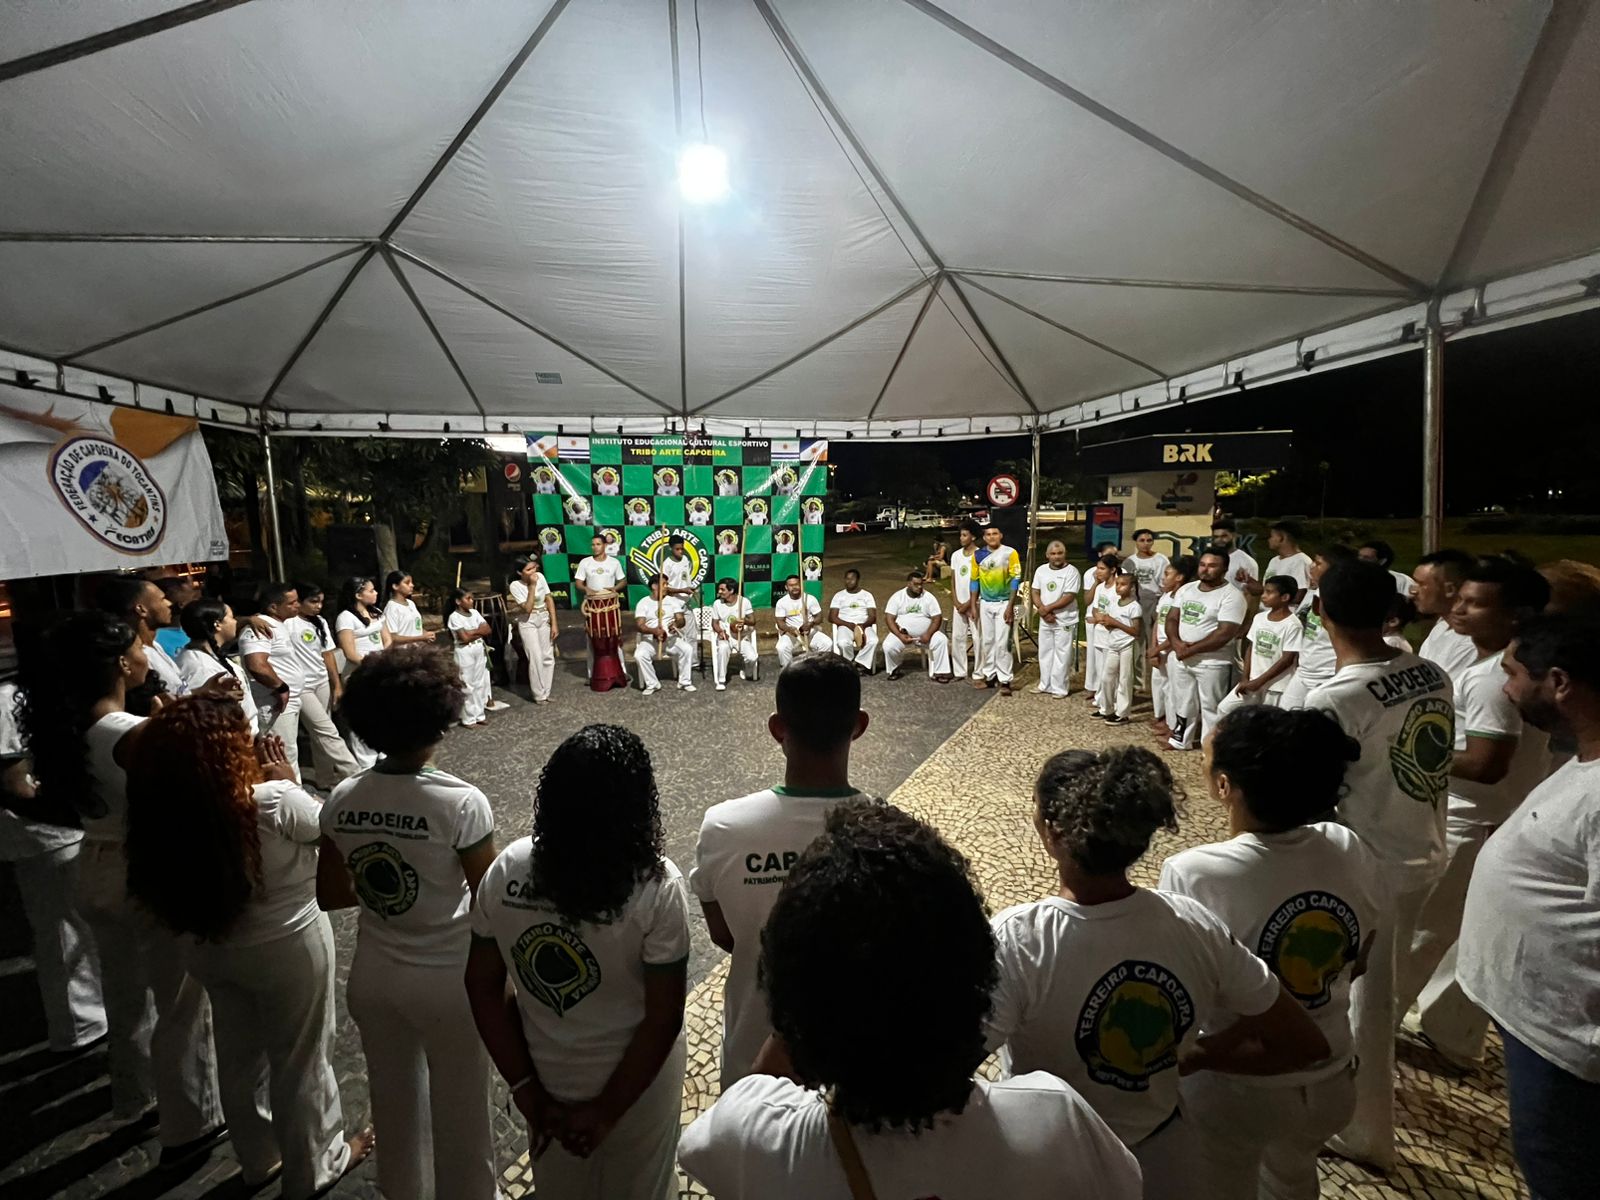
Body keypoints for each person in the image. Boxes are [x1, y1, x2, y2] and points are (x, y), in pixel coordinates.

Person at [679, 801, 1142, 1199]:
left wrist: (802, 1003)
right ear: (977, 975)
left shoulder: (754, 1139)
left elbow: (730, 1113)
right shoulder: (1054, 1120)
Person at [986, 747, 1329, 1197]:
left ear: (1050, 832)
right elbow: (1306, 1044)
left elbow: (938, 1075)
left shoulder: (1018, 940)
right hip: (1164, 1155)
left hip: (1052, 1160)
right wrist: (1201, 1056)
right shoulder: (1193, 924)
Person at [124, 701, 373, 1196]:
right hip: (286, 942)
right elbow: (332, 829)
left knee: (238, 1056)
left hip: (210, 945)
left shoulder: (164, 811)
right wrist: (286, 778)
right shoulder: (271, 800)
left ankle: (260, 1157)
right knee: (301, 1056)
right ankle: (317, 1164)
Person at [16, 612, 225, 1163]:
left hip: (95, 859)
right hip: (142, 866)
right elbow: (183, 791)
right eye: (137, 646)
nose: (144, 653)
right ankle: (193, 1116)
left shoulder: (71, 726)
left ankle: (136, 1096)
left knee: (125, 996)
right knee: (179, 998)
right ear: (118, 661)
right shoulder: (125, 732)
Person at [1160, 706, 1380, 1200]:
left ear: (1223, 787)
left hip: (1241, 1081)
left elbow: (1187, 988)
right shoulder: (1347, 843)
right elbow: (1361, 956)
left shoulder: (1195, 871)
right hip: (1333, 1077)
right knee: (1293, 1176)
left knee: (1221, 1184)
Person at [466, 725, 689, 1199]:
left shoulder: (507, 869)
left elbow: (482, 985)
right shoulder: (655, 884)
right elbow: (664, 1016)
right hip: (638, 1083)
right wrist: (607, 1112)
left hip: (549, 1076)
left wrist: (525, 1089)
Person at [320, 645, 499, 1200]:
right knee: (465, 1111)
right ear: (440, 717)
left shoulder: (342, 798)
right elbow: (490, 904)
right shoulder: (461, 802)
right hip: (448, 976)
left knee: (394, 1105)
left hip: (374, 973)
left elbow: (330, 893)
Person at [1303, 558, 1454, 1170]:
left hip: (1373, 862)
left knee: (1366, 1000)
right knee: (1378, 990)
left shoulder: (1336, 696)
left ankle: (1366, 1128)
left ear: (1322, 612)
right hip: (1422, 843)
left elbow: (1314, 793)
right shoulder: (1428, 669)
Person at [1456, 612, 1600, 1200]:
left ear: (1560, 682)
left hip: (1572, 1051)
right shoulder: (1585, 756)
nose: (1506, 688)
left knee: (1563, 1171)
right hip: (1542, 1031)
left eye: (1513, 674)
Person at [1396, 557, 1550, 1067]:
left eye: (1474, 602)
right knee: (1458, 934)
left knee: (1418, 934)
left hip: (1469, 818)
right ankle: (1452, 1034)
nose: (1459, 608)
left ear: (1515, 616)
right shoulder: (1497, 666)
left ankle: (1373, 1032)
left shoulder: (1489, 679)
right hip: (1483, 816)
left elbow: (1486, 763)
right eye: (1459, 597)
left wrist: (1407, 751)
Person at [691, 655, 872, 1088]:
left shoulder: (724, 826)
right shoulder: (886, 829)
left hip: (751, 1053)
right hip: (849, 1061)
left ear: (777, 728)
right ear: (859, 725)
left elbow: (725, 936)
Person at [0, 675, 106, 1056]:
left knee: (76, 925)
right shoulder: (6, 697)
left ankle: (90, 1016)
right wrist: (68, 813)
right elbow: (16, 784)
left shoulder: (32, 693)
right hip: (42, 834)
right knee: (60, 929)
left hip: (54, 829)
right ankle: (79, 1024)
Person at [1164, 548, 1247, 751]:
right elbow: (1172, 617)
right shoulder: (1187, 589)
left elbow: (1225, 633)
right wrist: (1176, 642)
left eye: (1212, 566)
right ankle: (1180, 739)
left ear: (1225, 569)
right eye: (1203, 565)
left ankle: (1211, 746)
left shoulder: (1232, 596)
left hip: (1213, 661)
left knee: (1211, 705)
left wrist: (1191, 649)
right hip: (1182, 656)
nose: (1205, 569)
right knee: (1183, 701)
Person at [287, 583, 361, 788]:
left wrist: (336, 684)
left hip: (321, 681)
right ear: (298, 602)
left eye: (320, 601)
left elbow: (327, 654)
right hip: (301, 686)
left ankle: (325, 778)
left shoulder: (319, 622)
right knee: (326, 730)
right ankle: (355, 773)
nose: (318, 606)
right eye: (312, 601)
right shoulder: (287, 623)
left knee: (320, 731)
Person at [239, 583, 315, 782]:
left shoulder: (280, 624)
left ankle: (295, 797)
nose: (298, 605)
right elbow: (256, 664)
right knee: (281, 755)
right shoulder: (260, 627)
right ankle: (291, 803)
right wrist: (279, 687)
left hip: (289, 699)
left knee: (289, 751)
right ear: (273, 607)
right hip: (272, 702)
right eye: (292, 603)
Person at [1278, 545, 1356, 710]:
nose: (1311, 566)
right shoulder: (1314, 592)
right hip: (1305, 671)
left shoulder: (1341, 599)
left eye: (1318, 563)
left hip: (1326, 674)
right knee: (1285, 715)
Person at [1219, 575, 1303, 718]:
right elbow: (1251, 647)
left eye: (1269, 592)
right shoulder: (1260, 618)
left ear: (1285, 597)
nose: (1263, 596)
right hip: (1252, 681)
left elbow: (1287, 659)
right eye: (1264, 591)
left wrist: (1260, 681)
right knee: (1224, 709)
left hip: (1275, 686)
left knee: (1269, 723)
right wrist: (1245, 678)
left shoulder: (1293, 625)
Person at [96, 575, 184, 708]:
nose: (169, 604)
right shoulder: (135, 658)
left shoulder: (154, 645)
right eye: (162, 599)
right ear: (141, 609)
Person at [176, 598, 259, 729]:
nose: (235, 622)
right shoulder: (199, 666)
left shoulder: (207, 656)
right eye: (231, 617)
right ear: (217, 624)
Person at [1149, 556, 1196, 739]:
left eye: (1168, 574)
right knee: (1163, 687)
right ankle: (1166, 721)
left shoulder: (1185, 597)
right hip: (1160, 648)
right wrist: (1153, 646)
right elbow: (1158, 622)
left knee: (1176, 691)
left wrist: (1160, 647)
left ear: (1180, 577)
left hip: (1171, 649)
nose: (1163, 577)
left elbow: (1177, 629)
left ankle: (1176, 726)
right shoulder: (1166, 596)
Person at [972, 524, 1022, 696]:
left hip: (1003, 603)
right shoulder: (978, 555)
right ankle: (990, 674)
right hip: (985, 603)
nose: (992, 537)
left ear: (1000, 535)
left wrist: (1010, 605)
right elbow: (974, 580)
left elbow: (1016, 578)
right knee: (988, 641)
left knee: (1003, 643)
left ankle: (1005, 679)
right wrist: (973, 604)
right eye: (988, 534)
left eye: (995, 533)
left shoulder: (1010, 553)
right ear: (984, 537)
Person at [576, 534, 630, 690]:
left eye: (598, 544)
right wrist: (586, 588)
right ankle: (591, 674)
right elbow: (578, 582)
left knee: (615, 639)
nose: (594, 547)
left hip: (610, 605)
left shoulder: (614, 562)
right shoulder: (585, 563)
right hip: (592, 607)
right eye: (592, 544)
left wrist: (615, 588)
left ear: (605, 545)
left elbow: (623, 580)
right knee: (592, 641)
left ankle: (622, 672)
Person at [1412, 549, 1478, 676]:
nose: (1413, 591)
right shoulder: (1441, 626)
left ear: (1449, 589)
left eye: (1421, 584)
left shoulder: (1468, 643)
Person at [1092, 566, 1142, 725]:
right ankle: (1105, 708)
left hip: (1127, 644)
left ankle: (1122, 712)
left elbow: (1135, 631)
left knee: (1125, 679)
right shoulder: (1114, 603)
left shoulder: (1134, 607)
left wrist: (1114, 623)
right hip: (1113, 644)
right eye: (1118, 584)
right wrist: (1106, 623)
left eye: (1123, 584)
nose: (1118, 587)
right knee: (1107, 678)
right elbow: (1110, 620)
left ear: (1132, 588)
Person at [882, 569, 953, 680]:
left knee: (941, 640)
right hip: (903, 635)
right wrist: (900, 635)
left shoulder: (928, 597)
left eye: (921, 584)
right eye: (916, 585)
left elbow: (937, 618)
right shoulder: (897, 597)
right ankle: (894, 668)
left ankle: (940, 672)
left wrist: (928, 634)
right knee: (888, 645)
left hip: (925, 636)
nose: (919, 587)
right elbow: (889, 618)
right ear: (909, 584)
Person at [1030, 540, 1080, 698]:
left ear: (1065, 554)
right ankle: (1045, 684)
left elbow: (1069, 596)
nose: (1057, 557)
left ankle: (1059, 687)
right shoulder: (1041, 570)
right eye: (1053, 554)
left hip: (1064, 619)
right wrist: (1042, 611)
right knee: (1045, 652)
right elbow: (1035, 591)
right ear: (1047, 555)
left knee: (1062, 654)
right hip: (1046, 619)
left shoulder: (1072, 572)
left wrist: (1048, 609)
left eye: (1060, 553)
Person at [507, 555, 558, 703]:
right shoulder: (515, 586)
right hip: (528, 621)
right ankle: (538, 695)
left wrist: (554, 623)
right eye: (529, 569)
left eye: (534, 567)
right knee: (535, 657)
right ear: (519, 573)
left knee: (548, 656)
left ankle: (546, 692)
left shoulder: (540, 577)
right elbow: (527, 608)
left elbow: (549, 598)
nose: (534, 571)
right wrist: (532, 587)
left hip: (544, 617)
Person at [635, 573, 694, 696]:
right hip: (650, 640)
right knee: (640, 654)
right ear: (654, 586)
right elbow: (640, 625)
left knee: (687, 649)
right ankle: (652, 684)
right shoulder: (643, 603)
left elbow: (681, 620)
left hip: (671, 639)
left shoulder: (673, 601)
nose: (667, 587)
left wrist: (676, 624)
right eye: (664, 584)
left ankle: (684, 682)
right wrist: (654, 631)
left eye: (667, 584)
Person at [449, 588, 496, 727]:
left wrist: (472, 632)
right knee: (467, 684)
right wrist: (477, 632)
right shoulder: (454, 617)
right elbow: (463, 638)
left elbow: (487, 629)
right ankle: (468, 717)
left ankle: (479, 714)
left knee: (479, 682)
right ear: (458, 601)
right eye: (467, 598)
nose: (471, 601)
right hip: (464, 651)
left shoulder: (475, 613)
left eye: (471, 598)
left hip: (478, 647)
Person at [334, 576, 390, 674]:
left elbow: (387, 639)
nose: (376, 593)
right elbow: (350, 653)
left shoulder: (376, 612)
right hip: (359, 671)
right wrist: (370, 666)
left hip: (379, 667)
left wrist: (382, 660)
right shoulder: (345, 617)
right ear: (358, 595)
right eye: (371, 591)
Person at [1083, 553, 1119, 705]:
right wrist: (1098, 617)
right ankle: (1100, 698)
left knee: (1109, 671)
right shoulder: (1099, 588)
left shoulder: (1117, 587)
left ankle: (1112, 700)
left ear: (1112, 570)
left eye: (1102, 569)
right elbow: (1094, 608)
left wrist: (1100, 619)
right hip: (1099, 632)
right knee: (1099, 667)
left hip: (1110, 633)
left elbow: (1116, 612)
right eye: (1097, 568)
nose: (1098, 572)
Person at [947, 520, 982, 680]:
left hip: (975, 603)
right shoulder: (955, 555)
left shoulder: (980, 555)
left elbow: (981, 582)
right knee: (957, 637)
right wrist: (956, 601)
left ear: (973, 537)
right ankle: (959, 671)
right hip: (959, 604)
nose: (961, 538)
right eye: (960, 535)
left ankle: (979, 672)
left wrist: (969, 603)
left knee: (977, 638)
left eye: (964, 535)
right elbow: (953, 580)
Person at [773, 575, 832, 666]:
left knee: (827, 643)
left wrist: (810, 624)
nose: (794, 587)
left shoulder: (810, 599)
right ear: (786, 587)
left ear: (801, 584)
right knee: (781, 647)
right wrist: (789, 629)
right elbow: (780, 623)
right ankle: (788, 670)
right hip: (792, 634)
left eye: (796, 584)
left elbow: (819, 617)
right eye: (791, 585)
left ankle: (820, 668)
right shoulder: (781, 602)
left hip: (809, 631)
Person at [709, 578, 756, 691]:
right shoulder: (717, 604)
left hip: (741, 636)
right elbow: (714, 623)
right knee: (723, 648)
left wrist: (743, 621)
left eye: (722, 589)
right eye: (719, 589)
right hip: (726, 636)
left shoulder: (744, 602)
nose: (719, 592)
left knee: (752, 657)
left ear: (731, 590)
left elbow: (753, 621)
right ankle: (721, 680)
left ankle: (746, 670)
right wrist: (720, 631)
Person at [828, 569, 879, 674]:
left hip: (863, 625)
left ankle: (858, 663)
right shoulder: (839, 596)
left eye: (852, 578)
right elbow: (832, 617)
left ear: (858, 580)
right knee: (843, 643)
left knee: (873, 640)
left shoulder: (867, 595)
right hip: (845, 625)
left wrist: (863, 625)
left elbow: (872, 616)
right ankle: (849, 662)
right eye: (847, 578)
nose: (849, 581)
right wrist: (847, 624)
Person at [1257, 520, 1313, 605]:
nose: (1269, 540)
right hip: (1267, 614)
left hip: (1284, 615)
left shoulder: (1300, 561)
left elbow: (1300, 594)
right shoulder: (1274, 561)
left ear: (1281, 538)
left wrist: (1275, 602)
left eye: (1271, 536)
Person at [153, 574, 199, 658]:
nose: (197, 601)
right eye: (193, 598)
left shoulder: (193, 629)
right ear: (181, 604)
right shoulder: (155, 640)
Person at [1210, 517, 1260, 594]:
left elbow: (1252, 593)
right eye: (1216, 537)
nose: (1219, 540)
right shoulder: (1209, 559)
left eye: (1224, 536)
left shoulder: (1246, 562)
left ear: (1234, 535)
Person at [382, 571, 431, 646]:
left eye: (412, 582)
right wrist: (420, 638)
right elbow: (392, 637)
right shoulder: (392, 608)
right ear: (395, 586)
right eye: (407, 583)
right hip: (402, 653)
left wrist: (426, 634)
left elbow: (415, 627)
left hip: (417, 652)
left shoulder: (411, 603)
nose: (412, 585)